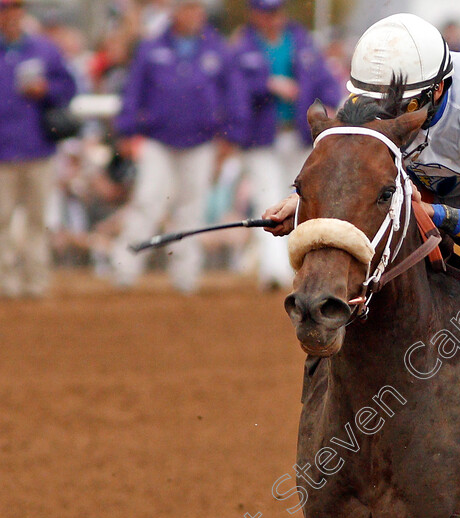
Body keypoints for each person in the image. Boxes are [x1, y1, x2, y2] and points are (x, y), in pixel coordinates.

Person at [264, 13, 460, 376]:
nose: (389, 116)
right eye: (378, 102)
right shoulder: (373, 96)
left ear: (437, 89)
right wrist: (301, 204)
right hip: (418, 176)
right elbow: (352, 176)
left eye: (403, 107)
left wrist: (436, 214)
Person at [110, 0, 247, 293]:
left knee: (192, 208)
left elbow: (234, 94)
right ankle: (126, 268)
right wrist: (126, 128)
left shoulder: (217, 48)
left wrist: (231, 135)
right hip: (158, 140)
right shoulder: (151, 47)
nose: (194, 14)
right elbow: (133, 91)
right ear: (175, 12)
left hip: (201, 142)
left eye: (197, 8)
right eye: (187, 8)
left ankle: (186, 276)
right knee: (147, 200)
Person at [231, 0, 342, 290]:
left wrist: (328, 105)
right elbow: (235, 92)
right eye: (266, 12)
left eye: (276, 11)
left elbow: (326, 83)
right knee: (267, 200)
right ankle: (274, 271)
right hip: (260, 138)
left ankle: (299, 268)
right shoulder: (242, 48)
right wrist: (267, 86)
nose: (272, 18)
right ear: (254, 14)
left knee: (302, 199)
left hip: (300, 136)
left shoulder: (303, 42)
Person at [0, 0, 77, 298]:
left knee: (38, 220)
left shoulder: (44, 49)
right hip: (3, 152)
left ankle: (35, 281)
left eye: (15, 8)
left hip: (38, 148)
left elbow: (69, 88)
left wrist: (47, 90)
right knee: (2, 220)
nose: (11, 15)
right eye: (6, 9)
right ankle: (5, 283)